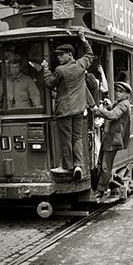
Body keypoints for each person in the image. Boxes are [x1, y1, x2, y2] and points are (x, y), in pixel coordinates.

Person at [41, 29, 94, 180]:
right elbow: (90, 54)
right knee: (76, 138)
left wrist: (45, 69)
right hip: (79, 108)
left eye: (61, 54)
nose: (58, 57)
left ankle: (66, 166)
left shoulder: (60, 70)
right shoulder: (80, 65)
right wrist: (83, 39)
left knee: (66, 138)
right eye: (57, 54)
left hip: (64, 110)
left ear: (69, 54)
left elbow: (50, 83)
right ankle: (78, 165)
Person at [91, 81, 133, 201]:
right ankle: (99, 188)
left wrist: (96, 110)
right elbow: (113, 111)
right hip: (110, 138)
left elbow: (113, 115)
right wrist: (109, 105)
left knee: (105, 166)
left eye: (121, 92)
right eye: (117, 91)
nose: (117, 93)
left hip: (113, 140)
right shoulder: (121, 103)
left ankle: (100, 191)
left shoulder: (123, 105)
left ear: (126, 94)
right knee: (101, 163)